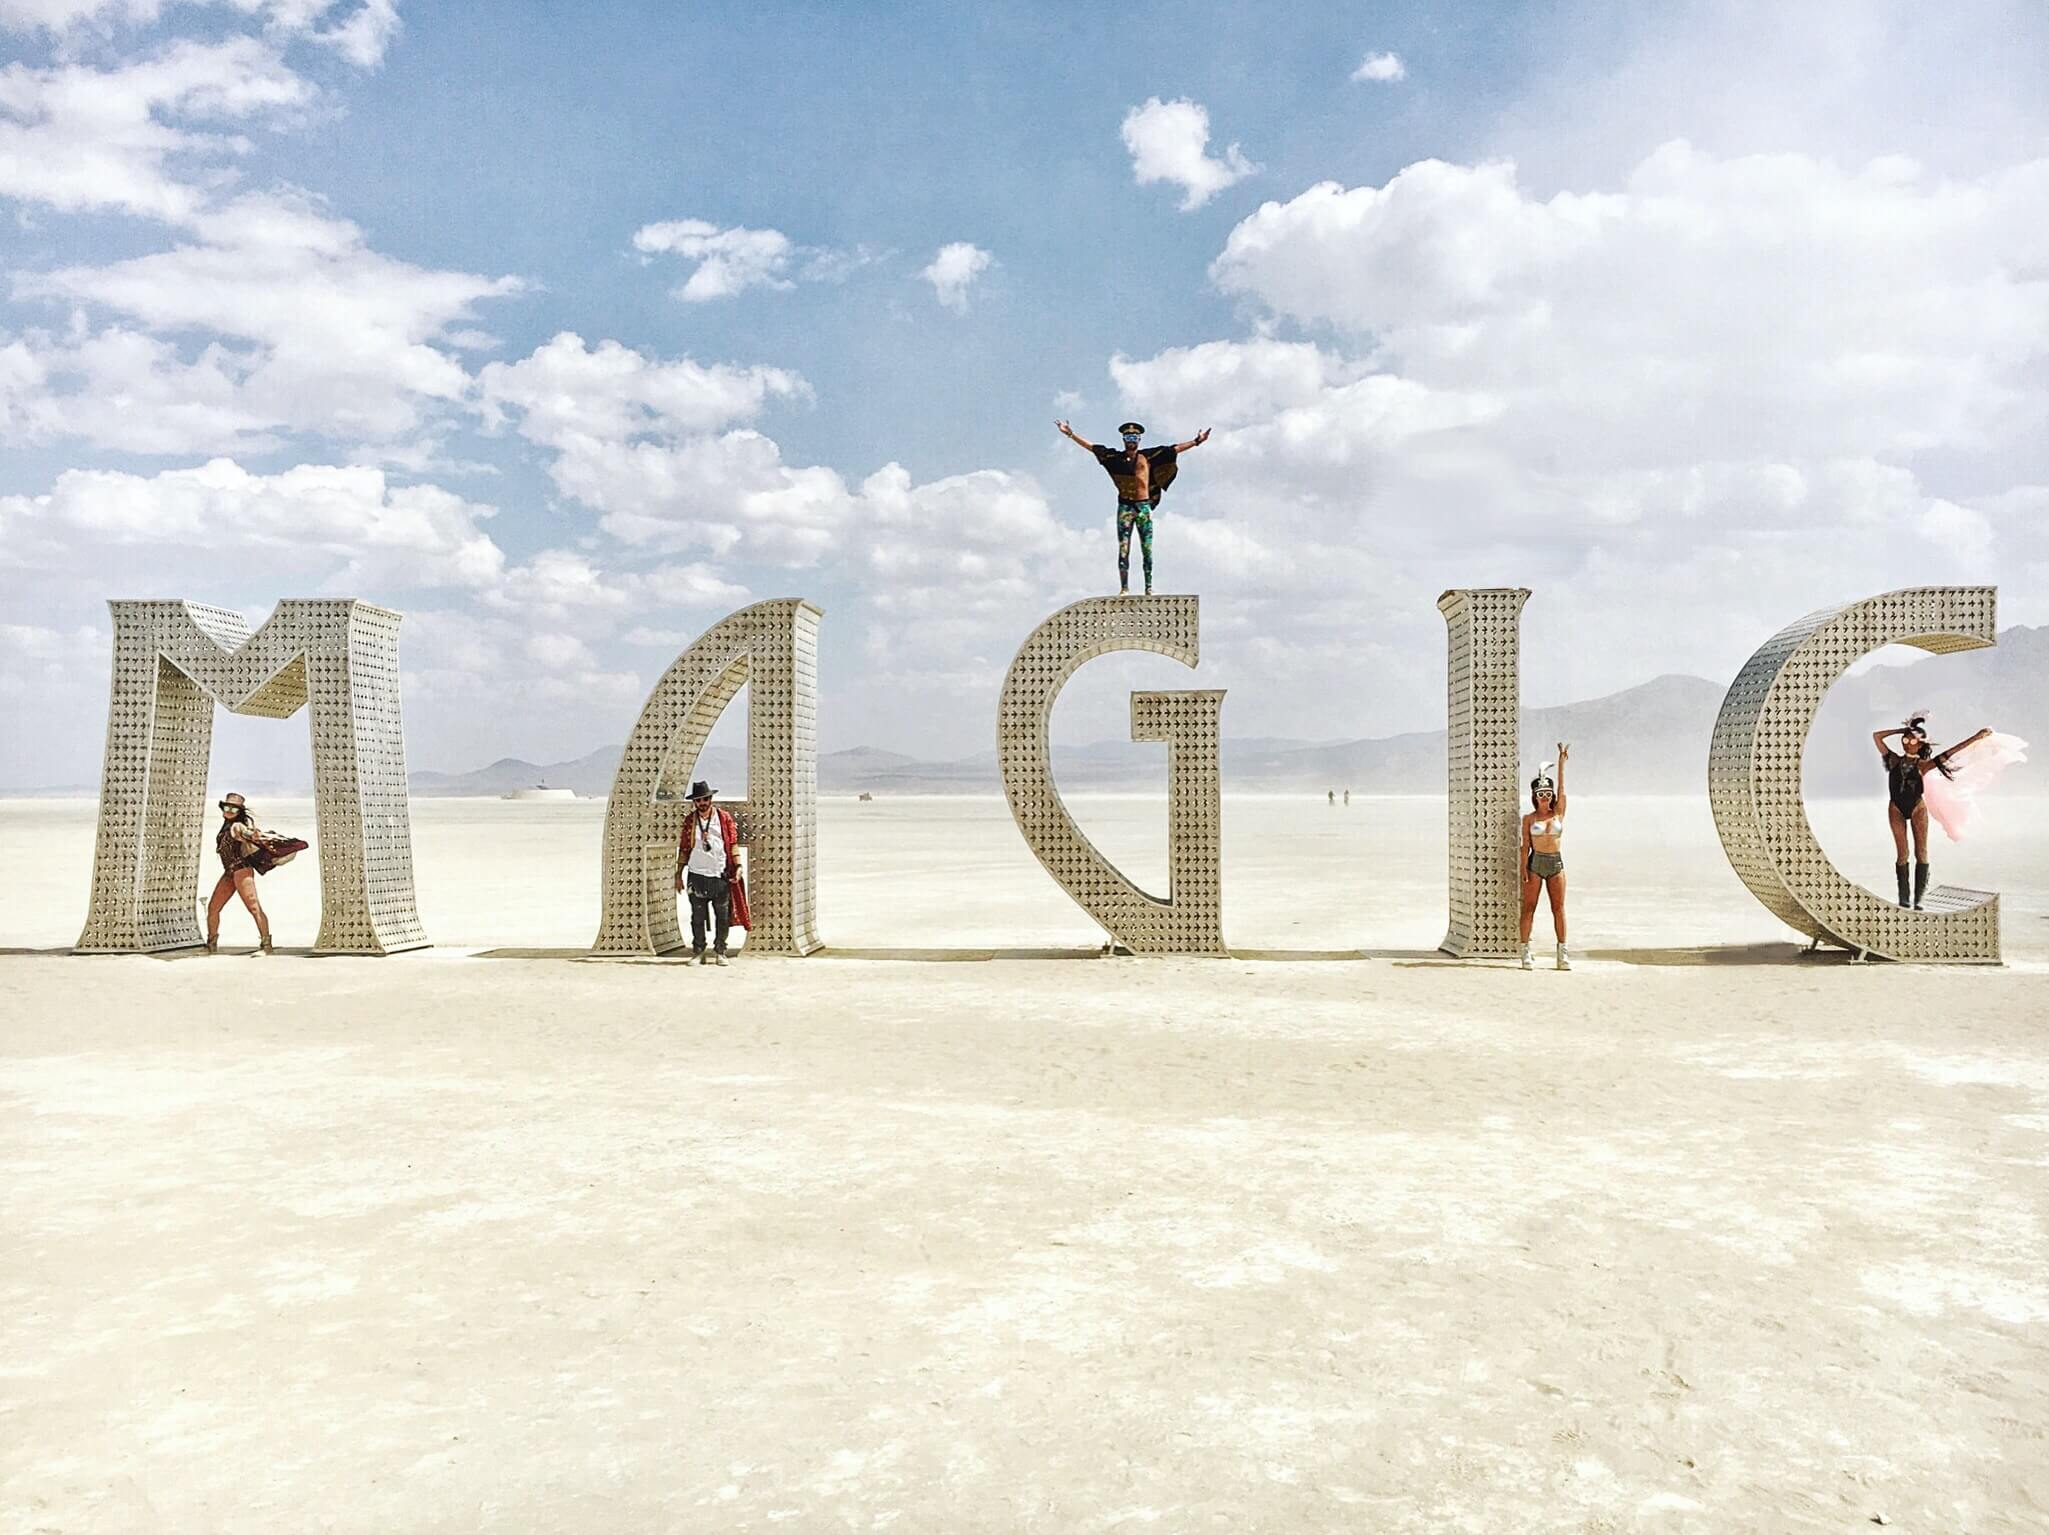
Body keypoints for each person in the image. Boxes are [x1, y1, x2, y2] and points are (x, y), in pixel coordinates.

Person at [1056, 418, 1211, 596]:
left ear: (1139, 439)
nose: (1131, 440)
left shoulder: (1149, 456)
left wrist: (1196, 441)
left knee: (1147, 549)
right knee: (1123, 549)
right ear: (1123, 439)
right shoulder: (1115, 458)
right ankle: (1124, 587)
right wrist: (1071, 434)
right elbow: (1093, 448)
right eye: (1128, 436)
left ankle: (1148, 587)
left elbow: (1174, 449)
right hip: (1125, 507)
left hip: (1143, 506)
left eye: (1134, 436)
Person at [1871, 714, 1996, 909]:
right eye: (1905, 739)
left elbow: (1954, 751)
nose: (1906, 743)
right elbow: (1876, 736)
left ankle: (1919, 898)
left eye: (1912, 740)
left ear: (1920, 745)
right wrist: (1900, 730)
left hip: (1917, 808)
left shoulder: (1924, 765)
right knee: (1902, 854)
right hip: (1895, 807)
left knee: (1921, 852)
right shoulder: (1894, 760)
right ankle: (1904, 898)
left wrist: (1977, 737)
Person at [204, 792, 299, 954]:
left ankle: (266, 946)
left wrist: (251, 834)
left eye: (233, 809)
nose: (229, 811)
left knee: (254, 908)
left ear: (239, 812)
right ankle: (211, 945)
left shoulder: (236, 826)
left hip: (241, 870)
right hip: (229, 873)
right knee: (213, 908)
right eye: (226, 807)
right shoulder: (226, 826)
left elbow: (244, 832)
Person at [674, 779, 741, 964]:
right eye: (698, 800)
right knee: (698, 916)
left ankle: (720, 951)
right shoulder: (690, 821)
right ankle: (699, 952)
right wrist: (678, 874)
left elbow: (733, 843)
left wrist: (738, 866)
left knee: (722, 914)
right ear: (694, 802)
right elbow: (684, 848)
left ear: (711, 799)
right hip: (696, 874)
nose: (702, 803)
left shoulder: (723, 818)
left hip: (719, 874)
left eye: (705, 799)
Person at [1519, 744, 1570, 971]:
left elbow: (1562, 789)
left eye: (1548, 795)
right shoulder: (1529, 819)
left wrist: (1560, 764)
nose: (1545, 798)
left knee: (1558, 908)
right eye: (1541, 794)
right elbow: (1525, 846)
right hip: (1536, 863)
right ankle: (1525, 951)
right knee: (1529, 907)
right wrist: (1522, 869)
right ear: (1534, 796)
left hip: (1555, 863)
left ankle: (1562, 952)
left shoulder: (1558, 813)